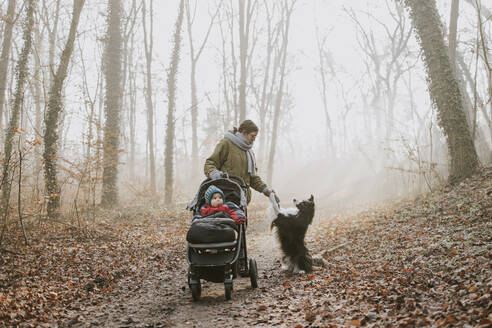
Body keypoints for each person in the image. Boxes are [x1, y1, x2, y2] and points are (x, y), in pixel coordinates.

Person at [204, 119, 279, 204]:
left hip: (242, 200)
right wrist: (215, 174)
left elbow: (252, 178)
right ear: (244, 132)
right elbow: (209, 164)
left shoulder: (249, 152)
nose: (254, 139)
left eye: (255, 137)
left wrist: (266, 191)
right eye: (252, 136)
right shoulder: (226, 143)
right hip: (225, 197)